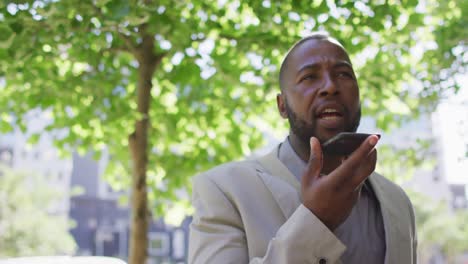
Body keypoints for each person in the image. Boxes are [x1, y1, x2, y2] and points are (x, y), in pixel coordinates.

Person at [188, 33, 417, 264]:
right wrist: (316, 220)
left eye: (343, 74)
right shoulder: (223, 189)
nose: (330, 87)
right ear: (282, 106)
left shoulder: (396, 201)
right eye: (309, 77)